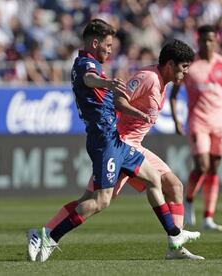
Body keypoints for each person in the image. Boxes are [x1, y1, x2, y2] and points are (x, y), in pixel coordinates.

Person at [27, 19, 200, 262]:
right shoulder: (141, 76)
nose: (111, 49)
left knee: (167, 184)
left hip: (122, 144)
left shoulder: (159, 81)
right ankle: (47, 235)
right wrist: (116, 92)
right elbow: (109, 91)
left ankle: (175, 240)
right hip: (117, 141)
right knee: (97, 201)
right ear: (170, 64)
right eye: (108, 45)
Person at [170, 25, 222, 231]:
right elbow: (174, 94)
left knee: (214, 168)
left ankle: (208, 217)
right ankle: (189, 199)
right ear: (198, 40)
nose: (207, 44)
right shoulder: (190, 65)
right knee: (201, 165)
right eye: (203, 40)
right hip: (198, 121)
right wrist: (176, 119)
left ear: (217, 40)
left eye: (210, 40)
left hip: (219, 122)